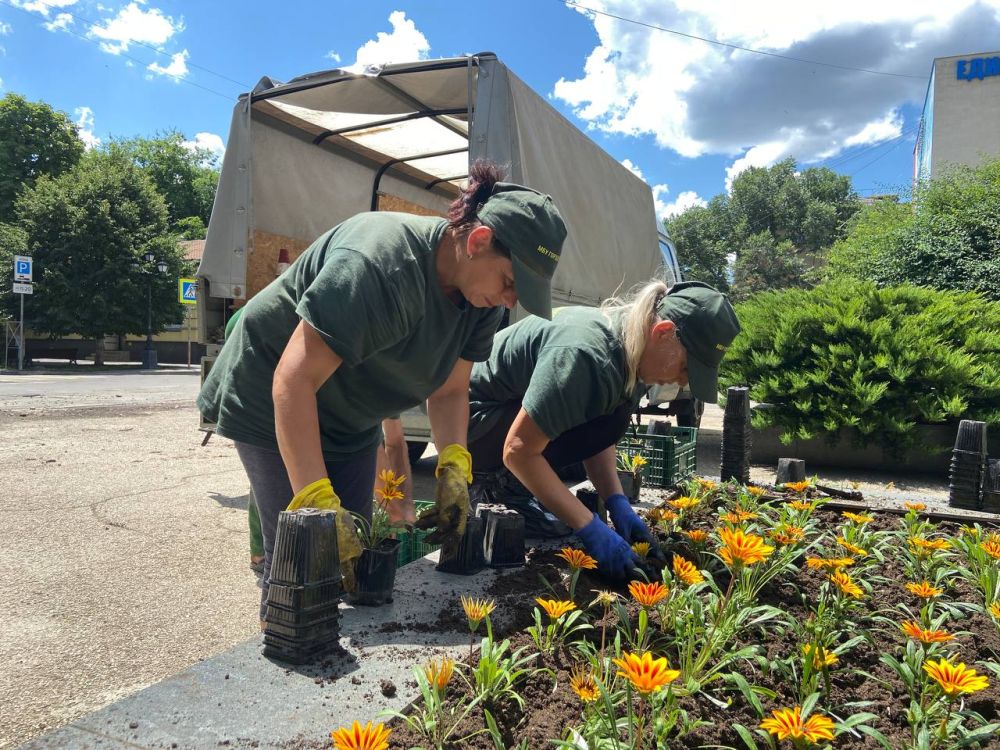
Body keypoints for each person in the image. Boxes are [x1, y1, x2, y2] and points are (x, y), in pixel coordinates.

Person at [197, 161, 567, 619]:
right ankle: (290, 657)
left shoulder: (481, 301)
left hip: (351, 416)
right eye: (511, 283)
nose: (512, 300)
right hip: (271, 396)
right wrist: (314, 500)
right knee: (305, 557)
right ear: (477, 242)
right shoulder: (381, 263)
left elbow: (451, 392)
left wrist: (455, 467)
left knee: (354, 557)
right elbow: (294, 379)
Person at [466, 280, 740, 579]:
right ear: (662, 333)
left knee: (614, 417)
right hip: (472, 422)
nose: (683, 382)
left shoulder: (630, 349)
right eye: (686, 368)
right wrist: (589, 526)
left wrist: (616, 501)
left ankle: (518, 487)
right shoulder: (587, 355)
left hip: (503, 415)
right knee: (544, 444)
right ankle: (495, 488)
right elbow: (518, 451)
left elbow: (598, 432)